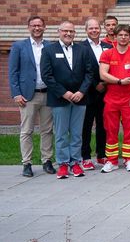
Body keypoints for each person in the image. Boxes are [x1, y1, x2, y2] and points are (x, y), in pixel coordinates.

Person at [40, 21, 94, 179]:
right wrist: (64, 93)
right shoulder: (49, 50)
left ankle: (76, 163)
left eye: (71, 31)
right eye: (65, 31)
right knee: (62, 133)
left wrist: (81, 92)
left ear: (75, 33)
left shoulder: (82, 50)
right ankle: (63, 163)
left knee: (77, 133)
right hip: (60, 99)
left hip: (80, 98)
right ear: (59, 32)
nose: (68, 34)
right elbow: (46, 75)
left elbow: (89, 73)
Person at [8, 15, 55, 177]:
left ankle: (47, 161)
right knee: (26, 130)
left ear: (44, 27)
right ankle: (26, 163)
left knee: (47, 130)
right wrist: (16, 94)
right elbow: (13, 72)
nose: (37, 28)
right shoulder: (19, 46)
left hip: (47, 94)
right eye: (34, 25)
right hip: (27, 96)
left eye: (40, 25)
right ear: (28, 27)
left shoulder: (50, 46)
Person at [98, 24, 130, 172]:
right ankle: (111, 160)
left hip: (129, 98)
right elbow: (103, 74)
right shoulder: (107, 54)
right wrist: (119, 81)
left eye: (126, 35)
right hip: (112, 98)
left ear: (129, 37)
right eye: (120, 35)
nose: (123, 38)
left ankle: (129, 159)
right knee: (111, 129)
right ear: (115, 36)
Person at [80, 17, 112, 170]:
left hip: (106, 91)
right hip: (88, 93)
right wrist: (95, 84)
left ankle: (102, 154)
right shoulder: (80, 47)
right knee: (86, 126)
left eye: (96, 28)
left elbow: (112, 67)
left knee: (103, 124)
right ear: (86, 30)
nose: (94, 30)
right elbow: (83, 70)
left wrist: (105, 83)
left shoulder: (108, 46)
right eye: (91, 28)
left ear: (101, 29)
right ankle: (85, 156)